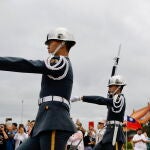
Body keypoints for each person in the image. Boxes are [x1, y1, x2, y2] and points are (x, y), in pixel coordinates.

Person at [0, 27, 76, 150]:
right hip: (44, 122)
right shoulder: (57, 62)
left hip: (54, 121)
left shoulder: (61, 62)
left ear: (62, 43)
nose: (47, 45)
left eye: (50, 42)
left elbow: (28, 65)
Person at [71, 75, 126, 150]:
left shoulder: (120, 98)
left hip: (114, 134)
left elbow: (100, 100)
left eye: (111, 86)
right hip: (109, 133)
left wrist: (82, 98)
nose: (109, 88)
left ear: (118, 87)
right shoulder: (115, 99)